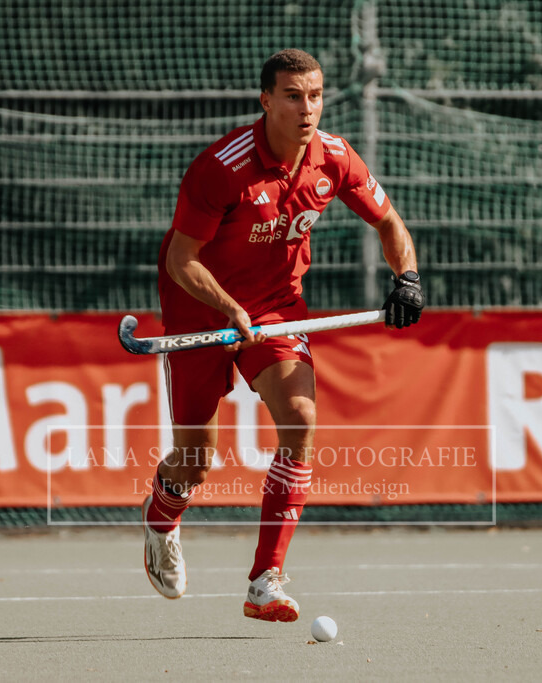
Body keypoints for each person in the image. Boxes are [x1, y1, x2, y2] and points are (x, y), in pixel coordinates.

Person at [142, 48, 424, 622]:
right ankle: (161, 517)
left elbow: (389, 222)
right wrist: (227, 308)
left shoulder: (336, 158)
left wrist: (409, 278)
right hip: (201, 312)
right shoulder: (222, 167)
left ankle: (264, 580)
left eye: (316, 96)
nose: (307, 108)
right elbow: (180, 260)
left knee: (300, 419)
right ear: (266, 99)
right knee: (196, 461)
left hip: (275, 310)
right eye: (293, 96)